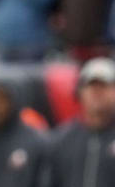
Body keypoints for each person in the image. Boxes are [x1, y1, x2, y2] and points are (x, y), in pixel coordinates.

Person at [49, 57, 115, 187]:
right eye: (91, 86)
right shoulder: (62, 139)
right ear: (79, 92)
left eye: (104, 86)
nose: (97, 92)